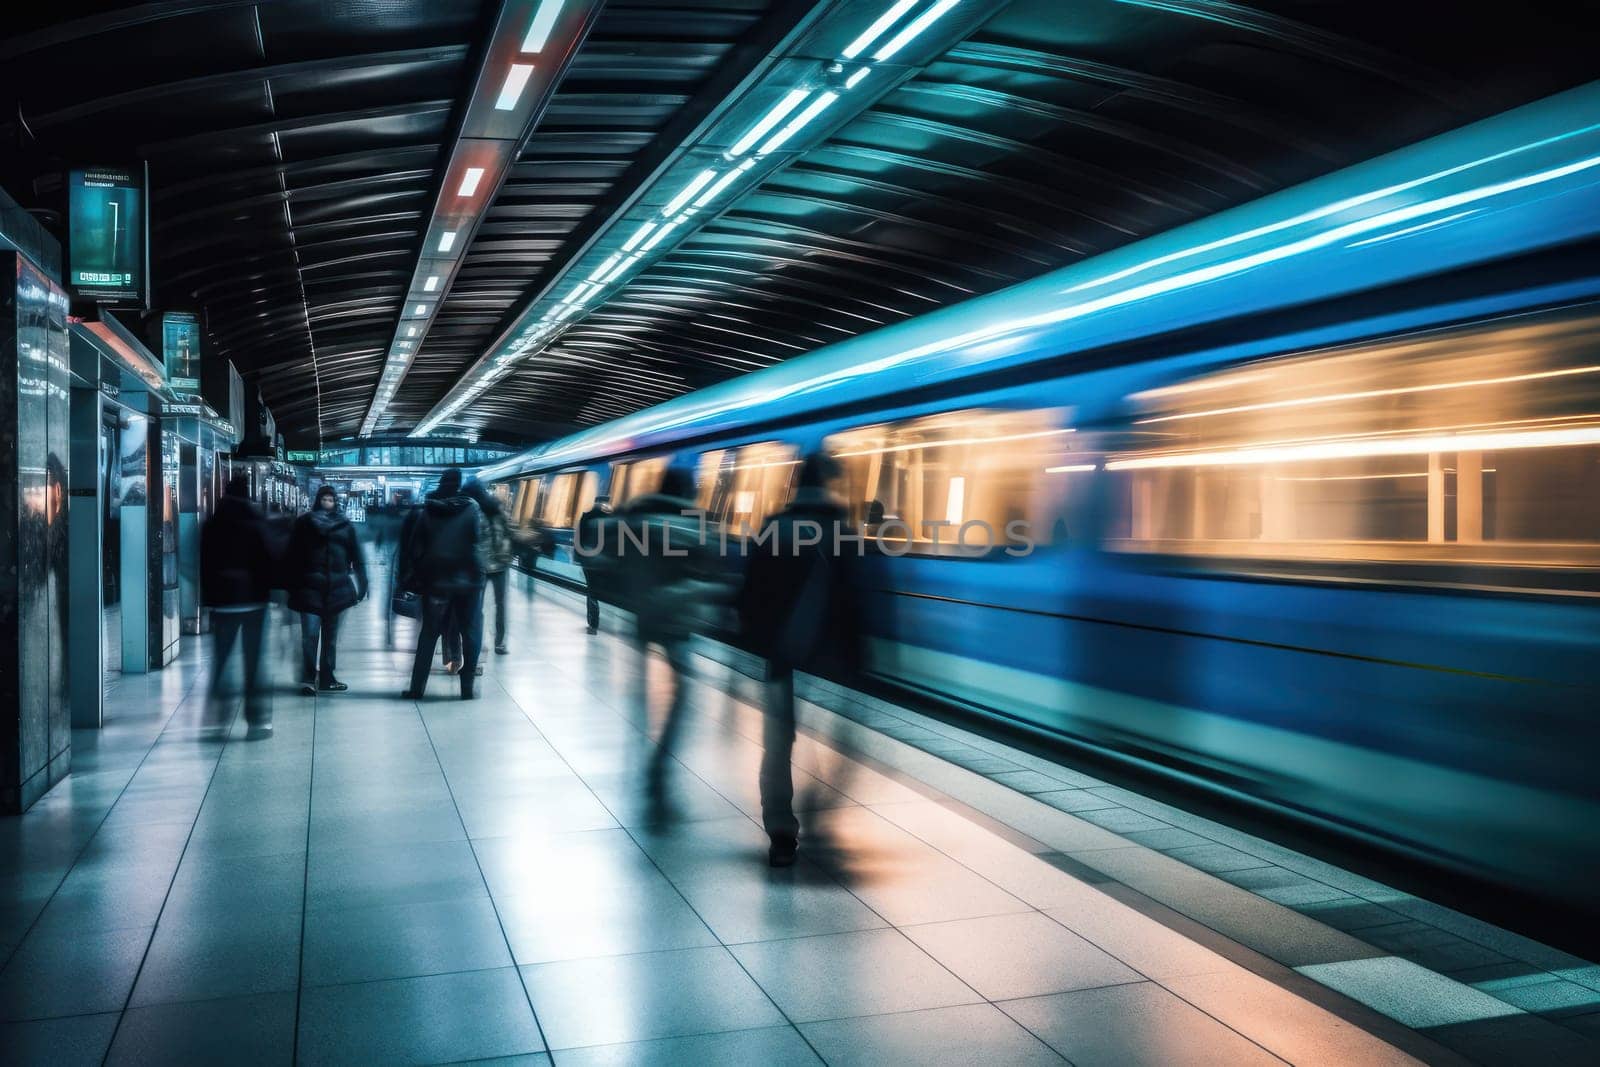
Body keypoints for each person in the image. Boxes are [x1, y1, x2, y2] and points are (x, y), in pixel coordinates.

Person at [738, 453, 863, 867]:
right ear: (828, 483)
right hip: (833, 658)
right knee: (843, 741)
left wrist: (758, 643)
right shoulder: (843, 530)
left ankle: (782, 833)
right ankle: (819, 810)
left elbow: (749, 593)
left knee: (778, 745)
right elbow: (857, 600)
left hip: (781, 654)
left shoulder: (774, 526)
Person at [622, 468, 726, 811]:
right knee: (683, 698)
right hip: (677, 622)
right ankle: (660, 765)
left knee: (639, 697)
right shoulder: (694, 525)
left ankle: (640, 758)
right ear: (687, 492)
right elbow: (708, 567)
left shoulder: (636, 520)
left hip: (641, 616)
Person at [401, 467, 487, 700]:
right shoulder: (472, 508)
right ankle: (467, 688)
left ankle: (417, 689)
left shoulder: (427, 511)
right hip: (468, 581)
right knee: (470, 632)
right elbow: (479, 541)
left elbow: (415, 549)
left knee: (429, 634)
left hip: (437, 581)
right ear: (458, 484)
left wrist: (420, 574)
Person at [202, 475, 274, 737]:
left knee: (221, 661)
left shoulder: (212, 523)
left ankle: (216, 720)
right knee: (254, 663)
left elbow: (204, 564)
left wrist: (208, 599)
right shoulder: (256, 521)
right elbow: (269, 559)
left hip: (222, 604)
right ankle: (256, 721)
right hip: (254, 602)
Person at [287, 485, 368, 695]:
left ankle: (319, 678)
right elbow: (291, 556)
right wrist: (362, 583)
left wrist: (363, 583)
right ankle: (317, 677)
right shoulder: (338, 526)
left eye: (330, 499)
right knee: (316, 636)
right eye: (325, 499)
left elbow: (291, 555)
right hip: (325, 588)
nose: (327, 503)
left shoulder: (306, 524)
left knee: (318, 637)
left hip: (316, 588)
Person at [576, 493, 613, 634]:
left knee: (591, 591)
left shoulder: (586, 516)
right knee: (598, 590)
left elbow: (578, 539)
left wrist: (579, 558)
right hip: (604, 562)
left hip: (589, 561)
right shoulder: (612, 519)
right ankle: (595, 620)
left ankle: (593, 623)